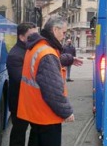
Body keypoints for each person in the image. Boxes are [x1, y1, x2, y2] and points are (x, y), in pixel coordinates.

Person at [17, 15, 80, 146]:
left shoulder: (37, 47)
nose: (64, 36)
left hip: (35, 113)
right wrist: (67, 112)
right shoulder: (47, 53)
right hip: (46, 117)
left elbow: (49, 63)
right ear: (55, 30)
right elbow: (53, 92)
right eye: (63, 32)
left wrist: (70, 59)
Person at [6, 22, 37, 146]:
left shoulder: (30, 49)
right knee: (19, 134)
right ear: (22, 37)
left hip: (30, 101)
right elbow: (21, 79)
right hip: (20, 103)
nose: (36, 38)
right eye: (32, 35)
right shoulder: (15, 55)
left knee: (36, 132)